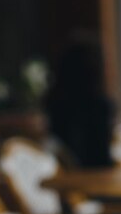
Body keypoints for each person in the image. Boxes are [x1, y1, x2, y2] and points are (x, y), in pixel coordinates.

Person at [44, 37, 115, 168]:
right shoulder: (100, 106)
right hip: (96, 179)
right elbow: (101, 156)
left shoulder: (55, 103)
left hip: (65, 177)